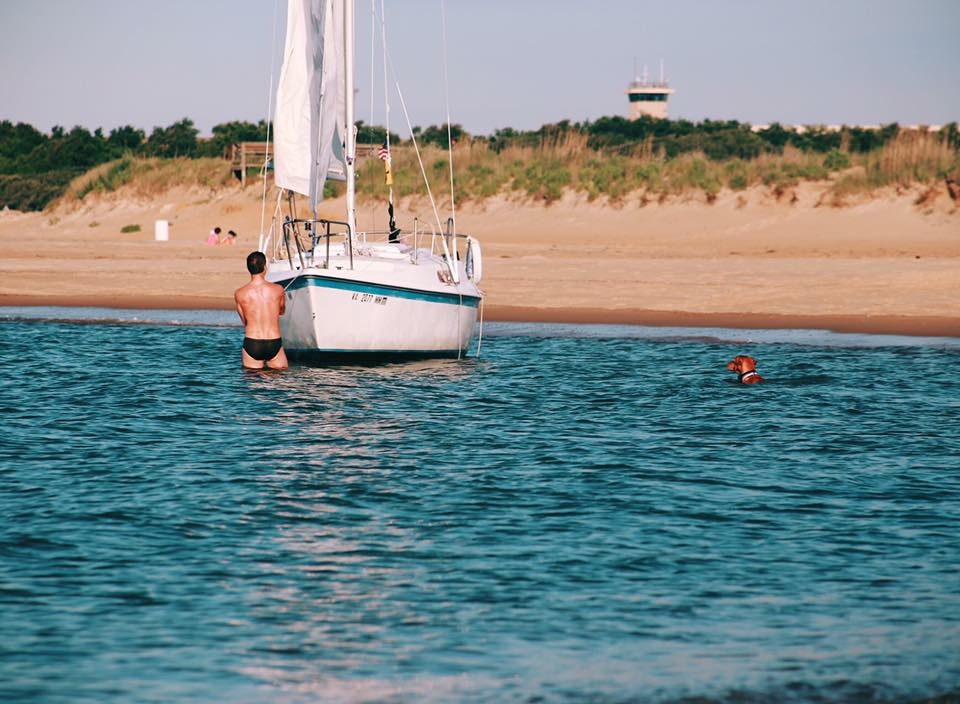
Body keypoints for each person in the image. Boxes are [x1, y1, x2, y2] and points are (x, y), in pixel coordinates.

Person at [234, 251, 288, 370]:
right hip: (273, 341)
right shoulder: (278, 289)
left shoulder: (239, 293)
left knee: (253, 384)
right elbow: (282, 311)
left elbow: (245, 321)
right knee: (280, 380)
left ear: (248, 268)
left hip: (252, 343)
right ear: (265, 267)